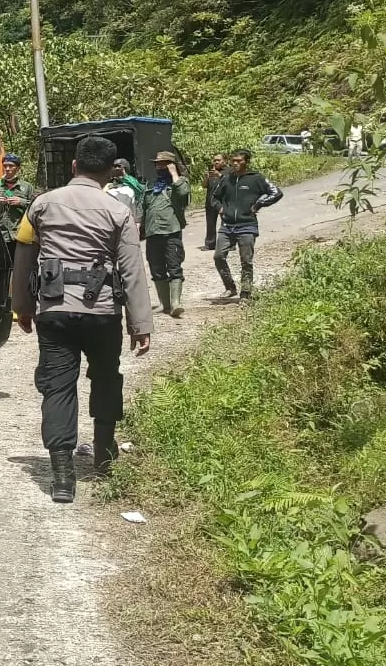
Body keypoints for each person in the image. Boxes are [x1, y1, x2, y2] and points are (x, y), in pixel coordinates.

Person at [11, 134, 152, 503]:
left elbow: (24, 255)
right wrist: (141, 324)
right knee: (106, 378)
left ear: (74, 166)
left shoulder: (41, 204)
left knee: (58, 386)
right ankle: (103, 456)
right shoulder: (118, 211)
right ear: (110, 172)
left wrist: (22, 306)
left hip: (54, 311)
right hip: (102, 311)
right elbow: (132, 269)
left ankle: (62, 477)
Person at [212, 149, 283, 300]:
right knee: (218, 256)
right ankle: (230, 287)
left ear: (246, 162)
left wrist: (258, 205)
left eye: (239, 161)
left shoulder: (256, 179)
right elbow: (214, 198)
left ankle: (245, 293)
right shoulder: (226, 179)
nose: (235, 163)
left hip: (247, 225)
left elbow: (276, 192)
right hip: (227, 225)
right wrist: (220, 208)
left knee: (246, 261)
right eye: (234, 161)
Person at [139, 151, 190, 319]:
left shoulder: (179, 183)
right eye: (158, 164)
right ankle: (164, 304)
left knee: (174, 268)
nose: (160, 167)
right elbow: (142, 209)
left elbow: (183, 194)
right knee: (157, 269)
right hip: (153, 233)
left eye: (165, 164)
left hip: (171, 232)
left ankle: (176, 303)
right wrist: (138, 225)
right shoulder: (150, 186)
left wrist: (174, 173)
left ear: (172, 164)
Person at [0, 152, 37, 246]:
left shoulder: (27, 187)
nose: (7, 169)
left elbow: (36, 208)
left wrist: (21, 202)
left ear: (18, 168)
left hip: (19, 235)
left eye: (11, 166)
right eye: (5, 166)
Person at [202, 154, 226, 250]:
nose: (216, 162)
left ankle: (227, 244)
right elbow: (204, 186)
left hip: (223, 201)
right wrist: (206, 177)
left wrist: (219, 175)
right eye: (215, 160)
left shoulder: (229, 171)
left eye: (219, 160)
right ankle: (210, 244)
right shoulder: (211, 172)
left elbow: (230, 183)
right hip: (210, 201)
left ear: (224, 161)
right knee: (210, 224)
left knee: (226, 223)